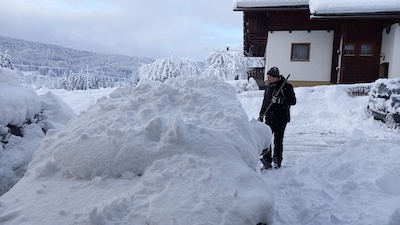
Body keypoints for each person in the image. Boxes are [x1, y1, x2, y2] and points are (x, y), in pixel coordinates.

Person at [258, 66, 296, 169]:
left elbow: (293, 101)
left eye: (269, 77)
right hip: (269, 118)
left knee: (278, 140)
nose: (268, 79)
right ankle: (266, 161)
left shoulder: (287, 87)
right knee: (267, 140)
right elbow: (265, 103)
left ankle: (277, 160)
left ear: (275, 77)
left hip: (281, 118)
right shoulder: (269, 88)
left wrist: (280, 100)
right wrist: (261, 115)